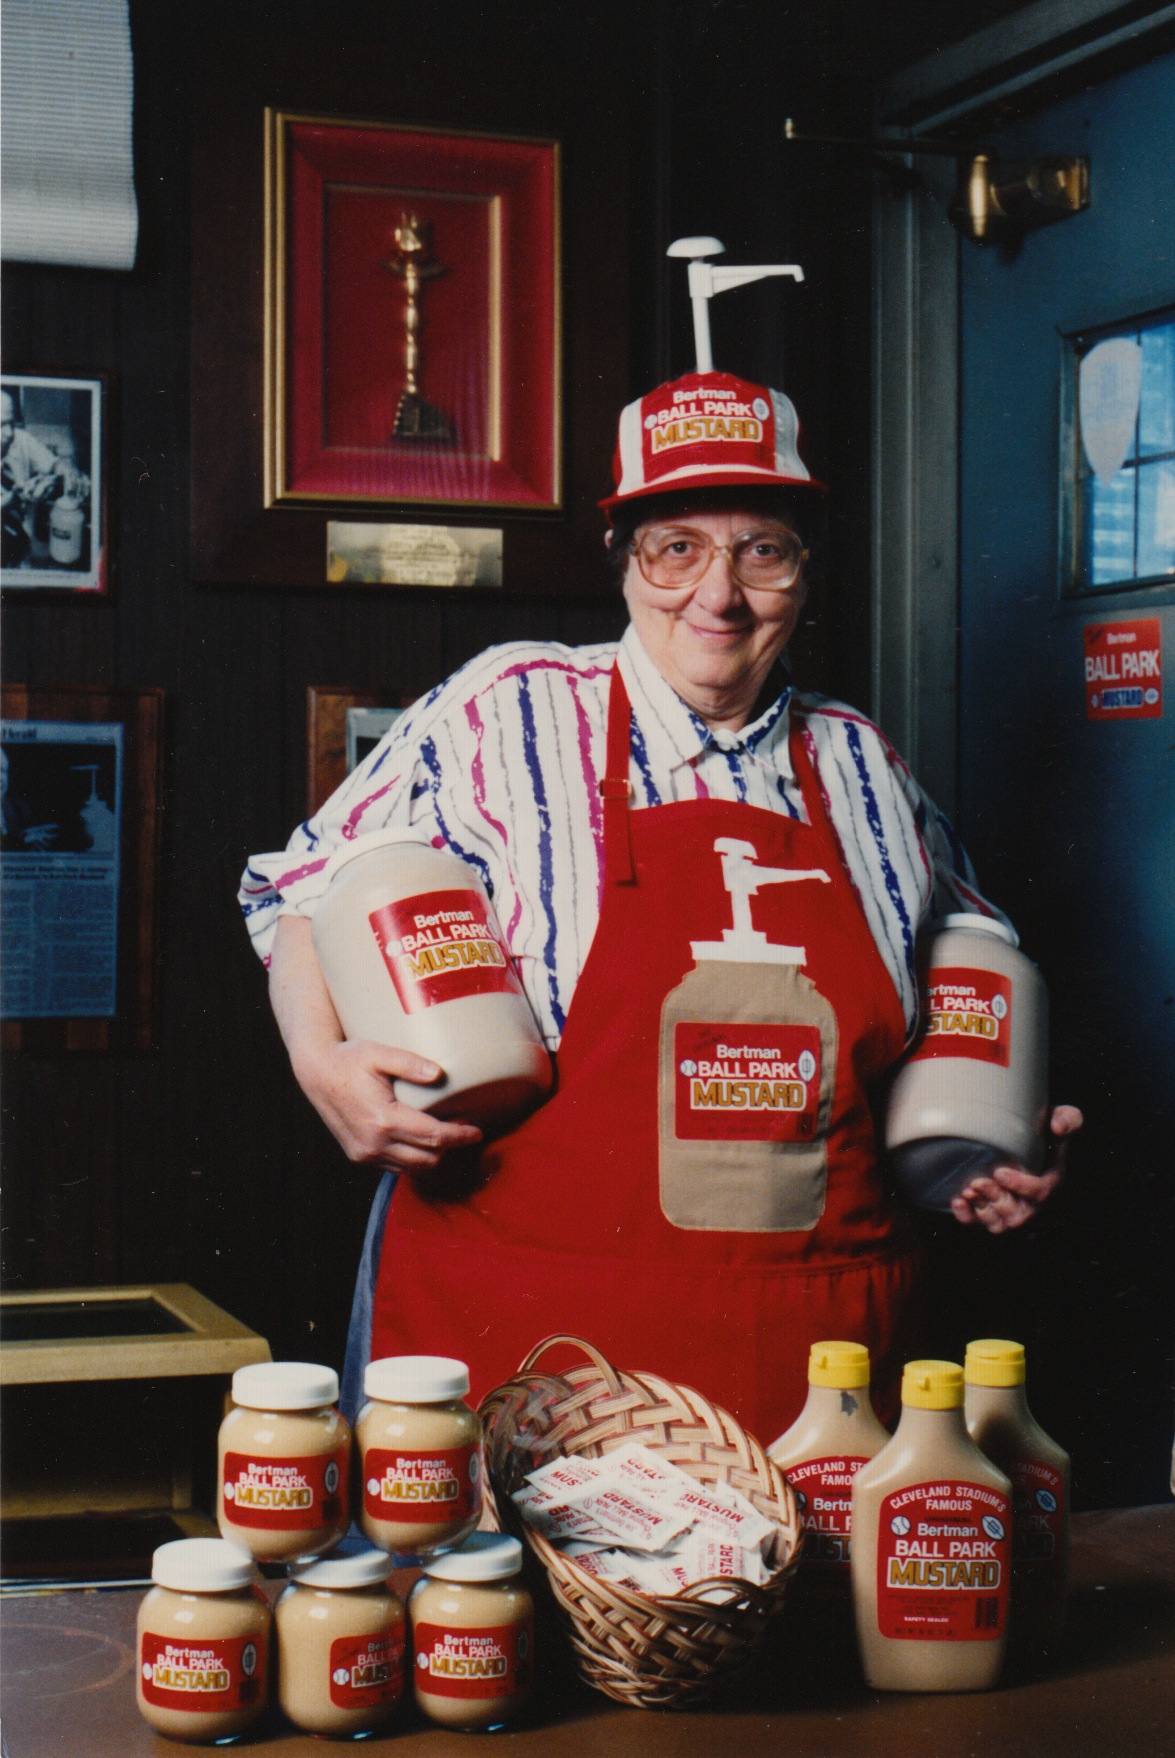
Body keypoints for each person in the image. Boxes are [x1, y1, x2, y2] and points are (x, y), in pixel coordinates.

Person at [240, 368, 1081, 1436]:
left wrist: (992, 1145)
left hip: (816, 1345)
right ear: (622, 559)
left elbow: (968, 965)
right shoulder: (508, 707)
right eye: (675, 548)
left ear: (804, 571)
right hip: (532, 1334)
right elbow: (304, 884)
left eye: (760, 551)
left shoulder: (862, 762)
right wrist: (321, 1061)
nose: (716, 596)